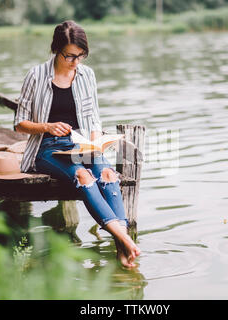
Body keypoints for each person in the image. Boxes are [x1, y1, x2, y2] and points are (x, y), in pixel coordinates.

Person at [14, 20, 141, 268]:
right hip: (49, 148)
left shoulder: (87, 75)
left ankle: (121, 247)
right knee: (83, 176)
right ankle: (125, 240)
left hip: (82, 145)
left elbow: (94, 118)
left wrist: (95, 145)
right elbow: (19, 123)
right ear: (56, 49)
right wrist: (47, 126)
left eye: (80, 56)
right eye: (70, 56)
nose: (76, 62)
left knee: (107, 173)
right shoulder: (36, 75)